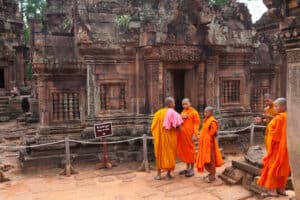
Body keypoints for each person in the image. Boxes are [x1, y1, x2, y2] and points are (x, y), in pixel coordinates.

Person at [257, 97, 290, 197]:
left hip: (276, 149)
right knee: (283, 169)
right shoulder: (288, 117)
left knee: (272, 168)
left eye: (276, 106)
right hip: (285, 149)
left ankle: (272, 190)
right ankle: (281, 189)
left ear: (283, 107)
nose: (274, 108)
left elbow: (274, 134)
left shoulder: (279, 118)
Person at [151, 97, 183, 180]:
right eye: (174, 103)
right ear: (171, 104)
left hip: (160, 139)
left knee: (160, 155)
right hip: (170, 138)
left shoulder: (158, 113)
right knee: (170, 155)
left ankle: (158, 174)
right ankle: (168, 174)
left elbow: (153, 127)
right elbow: (179, 128)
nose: (175, 104)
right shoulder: (173, 113)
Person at [196, 106, 223, 183]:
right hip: (205, 144)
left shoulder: (212, 122)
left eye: (207, 112)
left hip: (209, 144)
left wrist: (206, 138)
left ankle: (212, 175)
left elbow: (212, 133)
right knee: (206, 159)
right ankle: (211, 173)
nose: (205, 113)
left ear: (211, 113)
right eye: (204, 112)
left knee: (211, 160)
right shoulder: (206, 120)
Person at [177, 98, 200, 177]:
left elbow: (196, 124)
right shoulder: (182, 112)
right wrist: (181, 116)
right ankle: (187, 168)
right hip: (183, 135)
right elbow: (178, 121)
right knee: (186, 152)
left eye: (186, 104)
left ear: (190, 103)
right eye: (183, 104)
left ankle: (192, 169)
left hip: (190, 135)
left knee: (191, 151)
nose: (184, 105)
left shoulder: (194, 113)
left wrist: (195, 134)